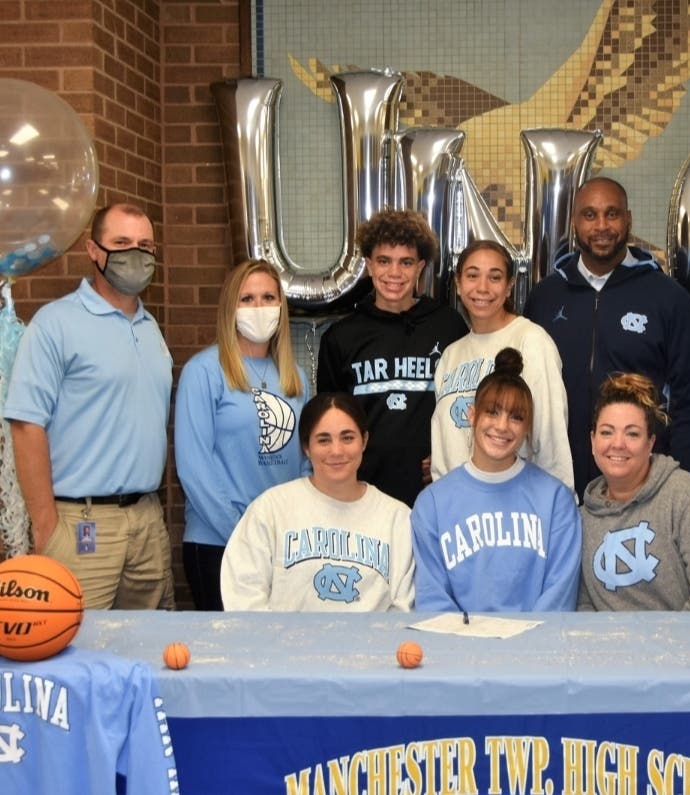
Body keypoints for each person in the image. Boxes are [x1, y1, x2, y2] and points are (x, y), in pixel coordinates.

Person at [4, 203, 174, 610]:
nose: (136, 254)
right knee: (76, 653)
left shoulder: (151, 329)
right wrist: (46, 527)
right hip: (81, 527)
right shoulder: (55, 323)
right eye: (121, 243)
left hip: (148, 521)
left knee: (149, 656)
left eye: (145, 245)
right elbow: (27, 425)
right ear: (94, 250)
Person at [524, 177, 690, 498]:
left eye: (612, 214)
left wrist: (672, 481)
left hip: (641, 488)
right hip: (554, 487)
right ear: (574, 222)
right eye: (590, 215)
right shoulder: (544, 298)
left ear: (628, 220)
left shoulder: (668, 298)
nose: (601, 225)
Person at [175, 259, 310, 610]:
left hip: (279, 545)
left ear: (281, 306)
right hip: (219, 542)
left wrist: (288, 532)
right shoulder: (203, 372)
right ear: (229, 307)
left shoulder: (295, 377)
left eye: (268, 297)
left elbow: (305, 463)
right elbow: (194, 468)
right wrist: (244, 536)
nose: (259, 307)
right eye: (247, 299)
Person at [317, 210, 467, 507]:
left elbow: (467, 402)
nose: (394, 273)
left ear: (420, 267)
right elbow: (330, 420)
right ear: (369, 266)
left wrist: (449, 451)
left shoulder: (448, 326)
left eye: (406, 262)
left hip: (434, 489)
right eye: (384, 261)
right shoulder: (341, 336)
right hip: (362, 491)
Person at [414, 348, 581, 612]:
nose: (502, 426)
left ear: (528, 428)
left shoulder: (555, 501)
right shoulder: (432, 504)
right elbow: (432, 596)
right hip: (458, 648)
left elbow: (559, 596)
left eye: (516, 417)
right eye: (492, 412)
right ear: (472, 415)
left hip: (535, 649)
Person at [220, 392, 414, 611]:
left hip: (371, 645)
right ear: (306, 447)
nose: (336, 451)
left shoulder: (398, 519)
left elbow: (404, 608)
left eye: (347, 437)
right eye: (323, 440)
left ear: (364, 441)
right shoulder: (270, 509)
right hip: (283, 644)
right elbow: (244, 595)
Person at [579, 373, 690, 611]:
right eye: (606, 432)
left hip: (686, 644)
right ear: (593, 441)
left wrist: (665, 645)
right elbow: (583, 603)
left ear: (650, 443)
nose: (618, 443)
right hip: (612, 646)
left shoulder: (686, 498)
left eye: (632, 433)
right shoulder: (582, 518)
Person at [431, 240, 574, 490]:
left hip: (514, 504)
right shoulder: (451, 355)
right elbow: (445, 443)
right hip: (455, 505)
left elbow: (550, 439)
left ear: (509, 287)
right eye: (472, 275)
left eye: (494, 278)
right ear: (458, 283)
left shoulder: (531, 340)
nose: (482, 288)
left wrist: (557, 505)